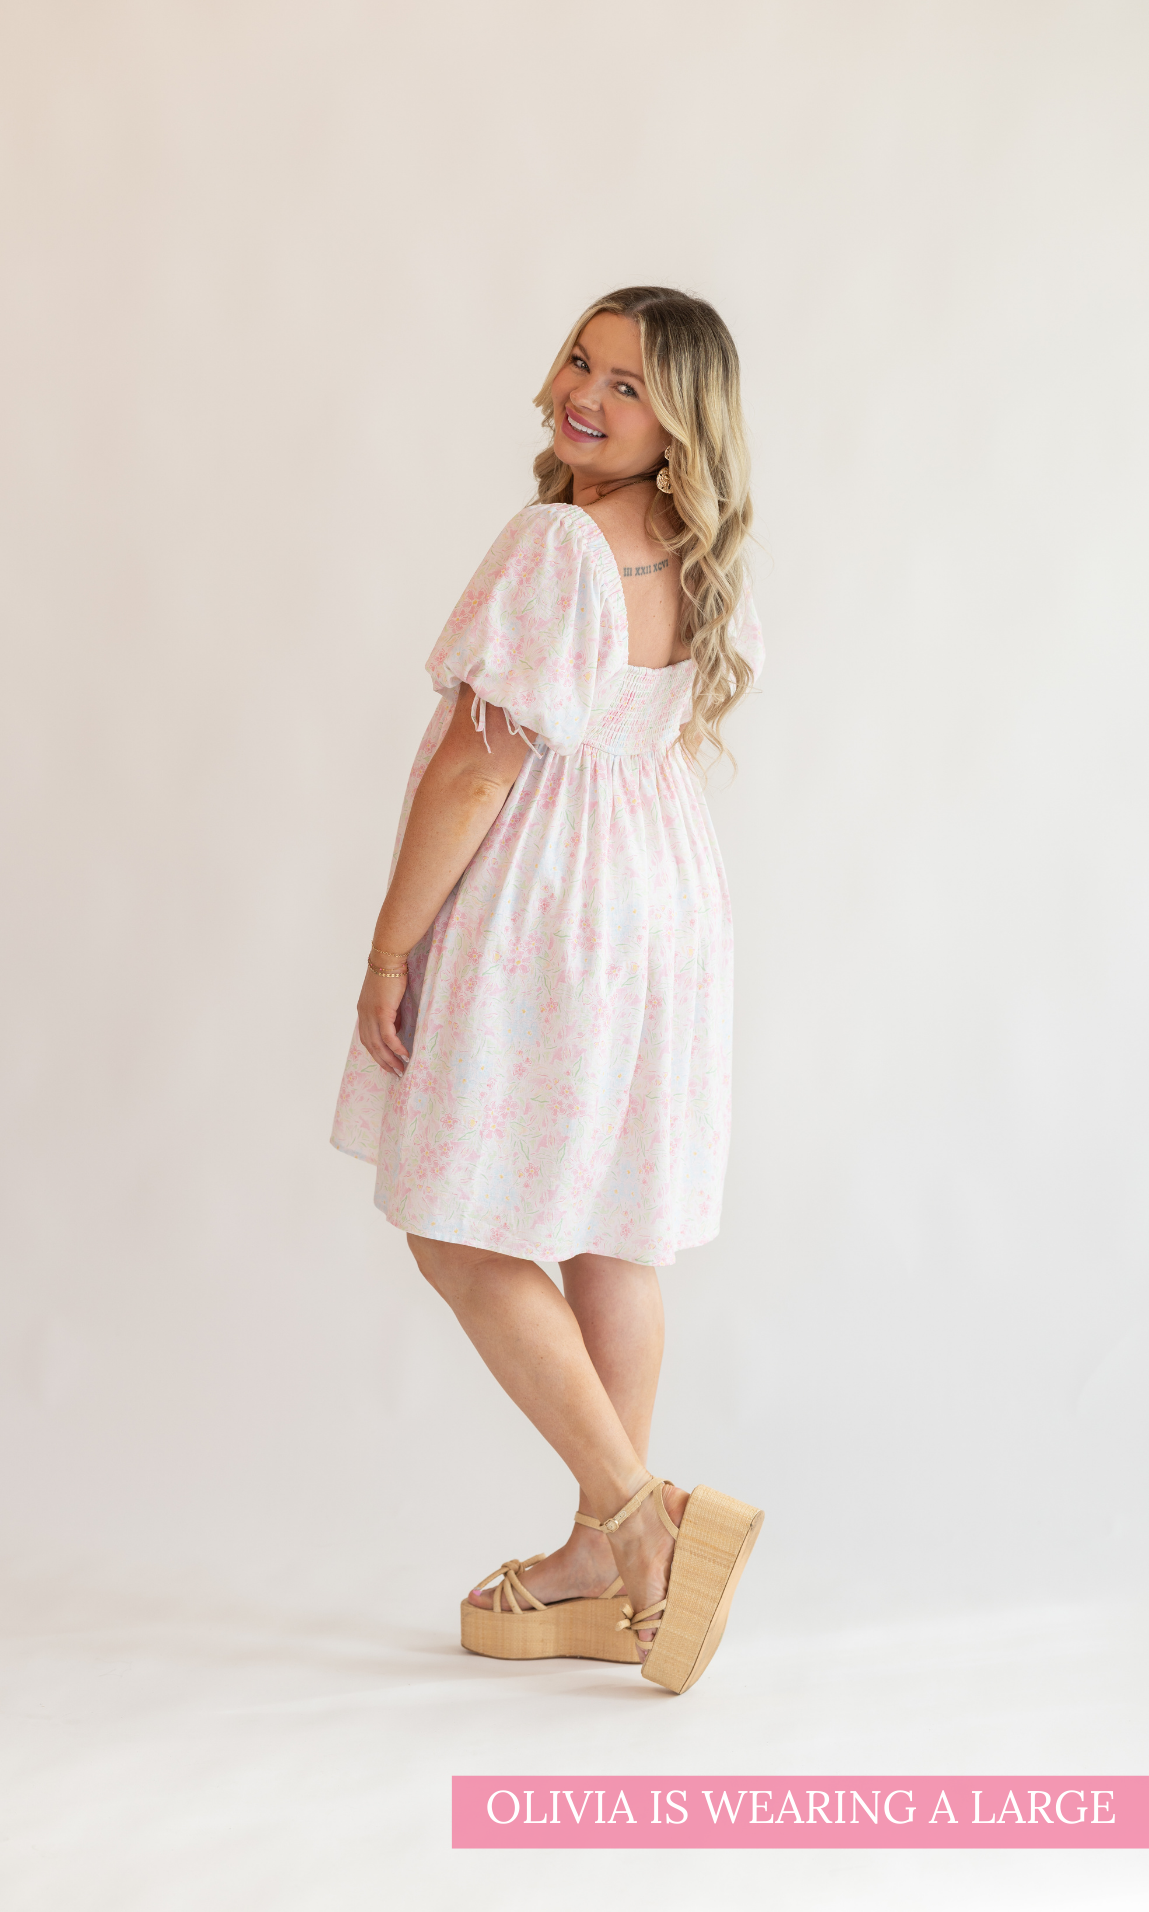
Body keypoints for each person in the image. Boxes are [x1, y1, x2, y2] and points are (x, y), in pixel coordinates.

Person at [331, 285, 765, 1695]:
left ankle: (644, 1525)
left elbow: (476, 769)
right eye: (581, 358)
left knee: (455, 1225)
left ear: (676, 422)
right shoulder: (682, 545)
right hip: (660, 899)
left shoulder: (556, 544)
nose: (585, 390)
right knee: (607, 1230)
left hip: (551, 907)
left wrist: (392, 947)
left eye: (628, 384)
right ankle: (597, 1554)